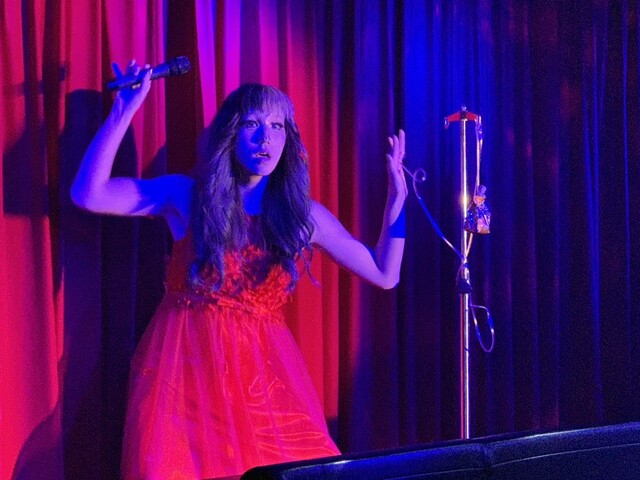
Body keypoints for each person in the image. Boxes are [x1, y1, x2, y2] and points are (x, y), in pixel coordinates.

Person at [71, 60, 407, 479]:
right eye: (252, 124)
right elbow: (89, 194)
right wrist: (124, 111)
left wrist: (397, 203)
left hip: (261, 391)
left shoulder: (302, 217)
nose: (266, 138)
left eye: (277, 126)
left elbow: (385, 274)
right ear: (231, 134)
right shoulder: (187, 196)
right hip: (184, 383)